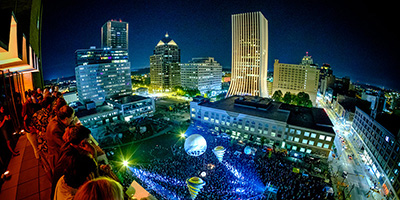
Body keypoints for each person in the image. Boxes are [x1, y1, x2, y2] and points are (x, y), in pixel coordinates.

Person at [46, 105, 75, 175]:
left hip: (57, 152)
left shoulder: (57, 120)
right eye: (72, 118)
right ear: (66, 119)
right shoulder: (55, 129)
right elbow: (65, 145)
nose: (73, 119)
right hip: (57, 157)